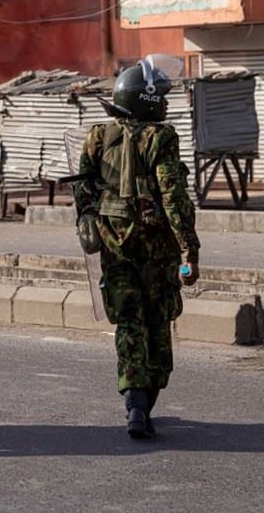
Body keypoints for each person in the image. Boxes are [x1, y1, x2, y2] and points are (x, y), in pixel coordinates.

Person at [73, 57, 200, 439]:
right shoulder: (161, 138)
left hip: (114, 250)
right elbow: (173, 197)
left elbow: (83, 192)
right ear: (143, 99)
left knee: (128, 325)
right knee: (157, 324)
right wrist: (189, 251)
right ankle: (144, 406)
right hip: (156, 253)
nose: (164, 104)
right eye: (159, 97)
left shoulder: (97, 136)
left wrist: (95, 226)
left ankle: (134, 407)